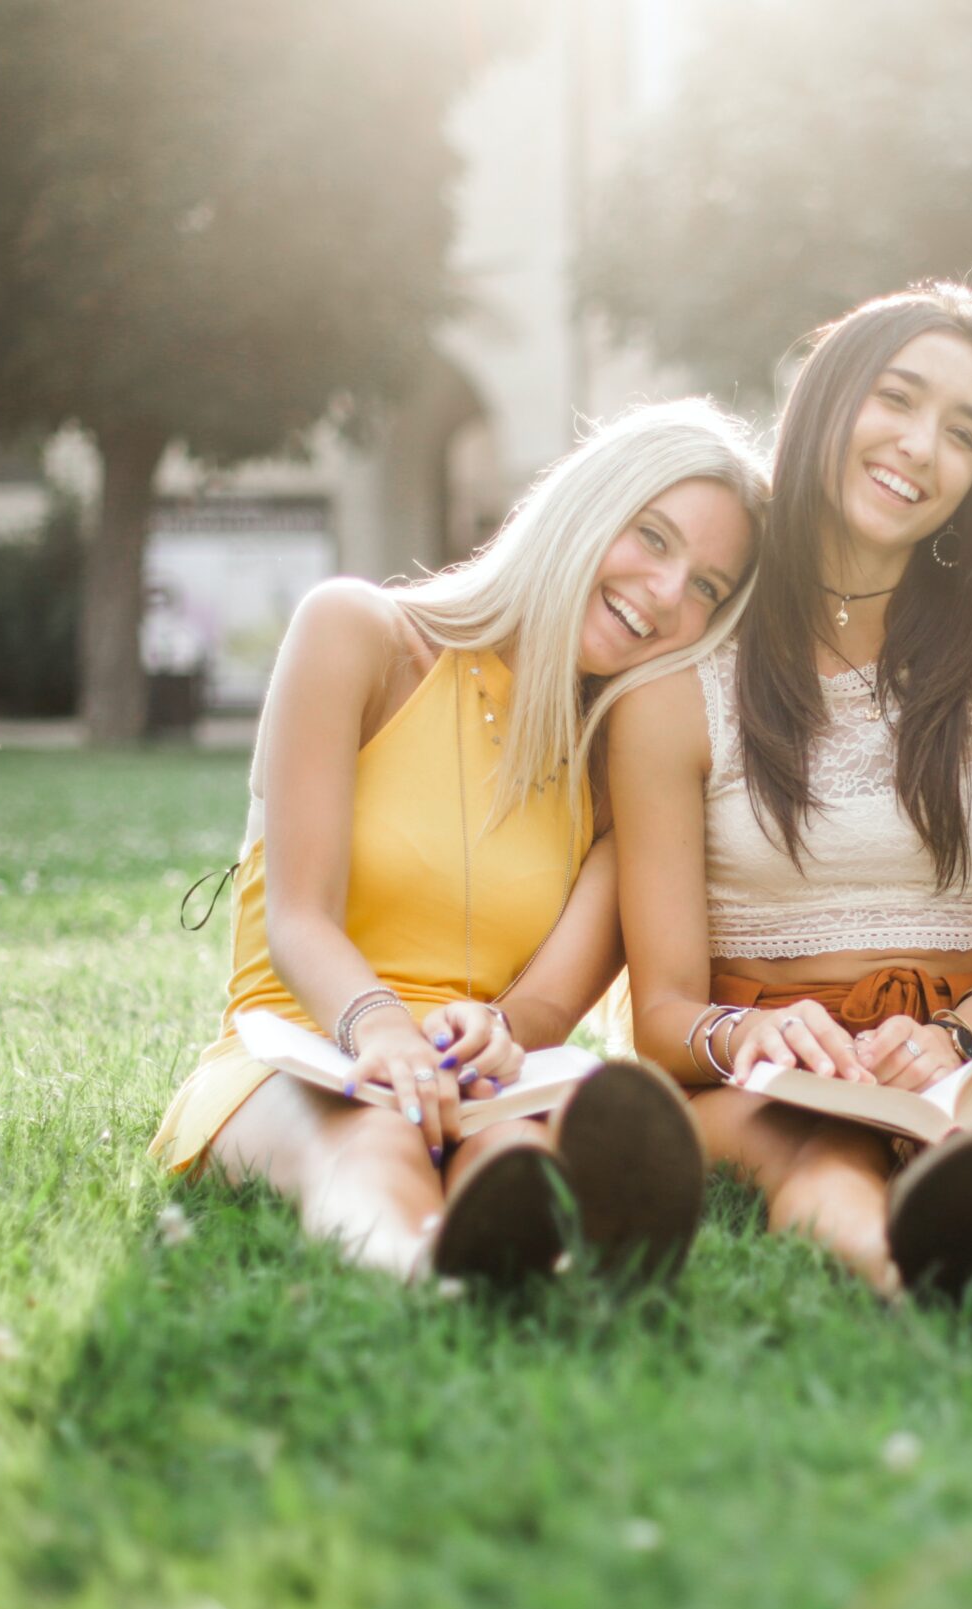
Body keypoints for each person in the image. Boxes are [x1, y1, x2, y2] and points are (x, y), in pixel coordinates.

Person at [610, 286, 972, 1305]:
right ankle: (907, 1276)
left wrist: (954, 1039)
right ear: (826, 402)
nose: (921, 448)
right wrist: (749, 1036)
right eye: (897, 399)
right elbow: (659, 1010)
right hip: (764, 1069)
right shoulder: (674, 684)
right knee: (818, 1161)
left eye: (962, 434)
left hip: (963, 1050)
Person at [151, 400, 768, 1285]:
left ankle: (539, 1255)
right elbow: (298, 919)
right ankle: (419, 1270)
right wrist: (382, 1030)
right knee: (372, 1135)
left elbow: (550, 1007)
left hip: (487, 1077)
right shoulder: (360, 634)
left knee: (514, 1144)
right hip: (296, 1051)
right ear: (586, 507)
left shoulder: (625, 769)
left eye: (708, 586)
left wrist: (492, 1031)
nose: (668, 594)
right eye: (653, 538)